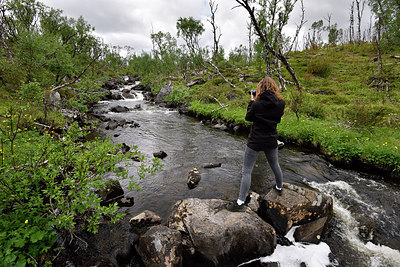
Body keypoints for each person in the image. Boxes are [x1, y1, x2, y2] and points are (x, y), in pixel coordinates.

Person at [228, 76, 285, 212]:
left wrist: (252, 102)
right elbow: (278, 118)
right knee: (275, 165)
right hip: (271, 140)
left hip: (255, 141)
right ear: (274, 88)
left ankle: (241, 201)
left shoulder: (256, 104)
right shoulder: (281, 103)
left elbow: (248, 118)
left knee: (247, 171)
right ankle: (279, 187)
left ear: (260, 89)